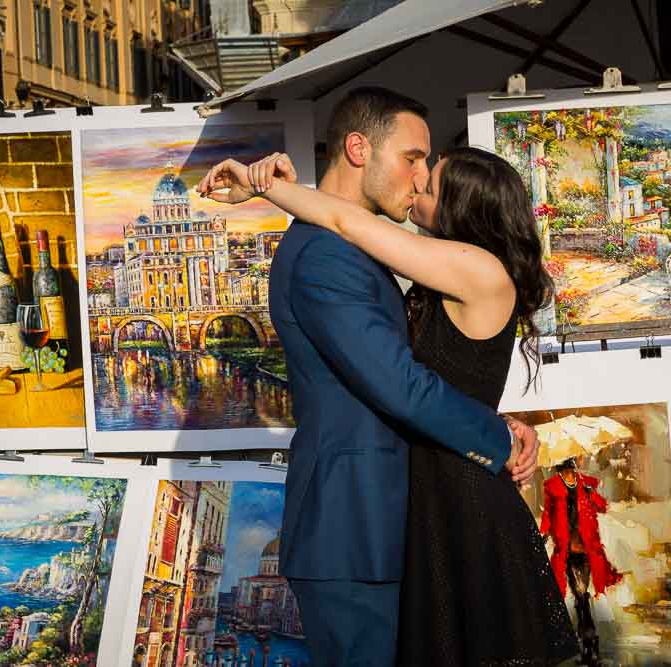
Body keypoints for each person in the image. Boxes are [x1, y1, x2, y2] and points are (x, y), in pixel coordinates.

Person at [199, 88, 577, 666]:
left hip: (397, 524)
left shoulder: (391, 255)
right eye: (413, 158)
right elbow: (399, 382)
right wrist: (494, 436)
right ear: (358, 148)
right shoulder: (330, 255)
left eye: (429, 168)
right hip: (357, 529)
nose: (420, 178)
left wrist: (269, 186)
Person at [540, 456, 622, 666]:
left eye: (568, 469)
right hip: (566, 550)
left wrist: (590, 494)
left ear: (573, 468)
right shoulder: (551, 486)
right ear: (560, 470)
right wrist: (544, 534)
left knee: (581, 594)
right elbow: (549, 513)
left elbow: (602, 507)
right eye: (563, 470)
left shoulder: (586, 483)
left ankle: (588, 642)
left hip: (586, 548)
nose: (566, 473)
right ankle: (588, 643)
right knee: (579, 594)